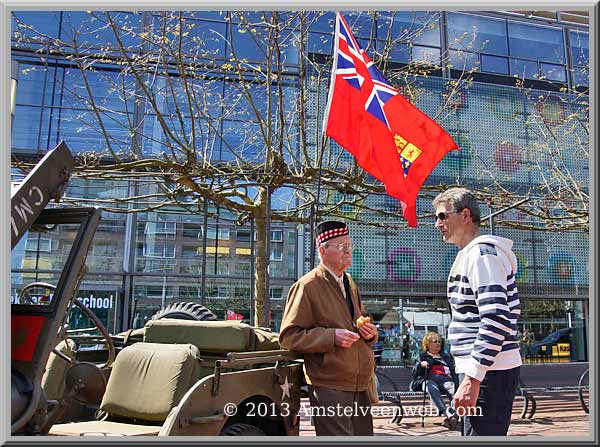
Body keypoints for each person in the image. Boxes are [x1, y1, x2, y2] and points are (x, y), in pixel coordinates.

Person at [433, 187, 522, 436]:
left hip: (487, 373)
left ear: (466, 216)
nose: (437, 223)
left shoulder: (482, 255)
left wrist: (473, 379)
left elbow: (496, 318)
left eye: (442, 216)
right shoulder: (473, 255)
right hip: (484, 370)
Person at [279, 220, 378, 436]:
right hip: (330, 385)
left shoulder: (350, 282)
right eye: (342, 246)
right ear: (323, 251)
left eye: (349, 245)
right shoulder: (306, 286)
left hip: (359, 383)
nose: (348, 251)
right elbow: (288, 336)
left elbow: (359, 320)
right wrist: (331, 337)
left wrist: (370, 334)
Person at [414, 331, 459, 428]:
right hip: (428, 379)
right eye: (435, 341)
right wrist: (420, 365)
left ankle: (452, 416)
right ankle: (446, 412)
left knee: (455, 390)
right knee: (431, 387)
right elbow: (414, 373)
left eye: (439, 341)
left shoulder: (446, 357)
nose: (438, 343)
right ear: (428, 344)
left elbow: (453, 371)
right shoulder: (422, 356)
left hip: (446, 381)